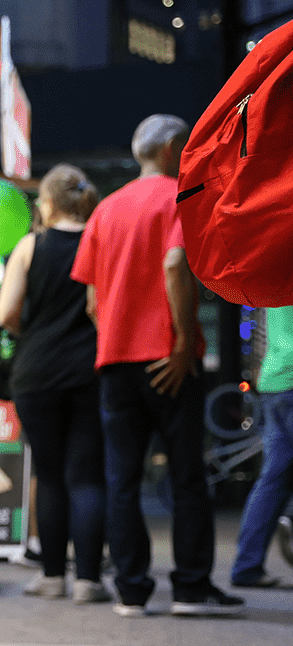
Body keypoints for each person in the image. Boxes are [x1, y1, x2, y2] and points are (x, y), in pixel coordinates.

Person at [70, 115, 244, 617]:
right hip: (167, 358)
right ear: (171, 148)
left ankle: (131, 590)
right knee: (186, 474)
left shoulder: (105, 209)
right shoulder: (178, 197)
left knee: (122, 478)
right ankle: (190, 587)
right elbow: (175, 265)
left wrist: (118, 336)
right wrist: (183, 341)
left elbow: (90, 300)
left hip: (116, 360)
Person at [0, 164, 111, 604]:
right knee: (86, 475)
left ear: (46, 203)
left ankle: (50, 577)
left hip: (37, 372)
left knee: (49, 473)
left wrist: (36, 332)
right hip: (90, 371)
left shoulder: (32, 245)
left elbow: (7, 312)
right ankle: (88, 580)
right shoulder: (97, 242)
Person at [230, 305, 293, 588]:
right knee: (275, 477)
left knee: (273, 478)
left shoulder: (272, 272)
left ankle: (247, 566)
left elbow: (256, 327)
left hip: (275, 378)